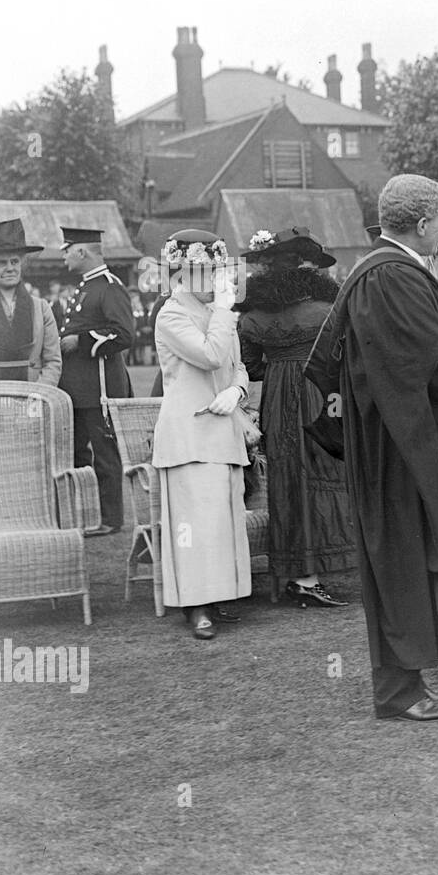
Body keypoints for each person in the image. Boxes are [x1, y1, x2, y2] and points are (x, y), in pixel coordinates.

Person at [337, 175, 438, 723]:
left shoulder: (381, 271)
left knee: (408, 558)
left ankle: (412, 680)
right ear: (423, 223)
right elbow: (435, 362)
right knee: (401, 561)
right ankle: (400, 692)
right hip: (397, 449)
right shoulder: (390, 277)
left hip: (399, 441)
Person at [237, 227, 354, 606]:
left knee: (288, 480)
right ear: (308, 271)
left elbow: (251, 367)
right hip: (321, 394)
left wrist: (279, 362)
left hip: (277, 397)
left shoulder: (252, 317)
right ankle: (312, 572)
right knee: (325, 474)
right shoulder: (328, 312)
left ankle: (299, 572)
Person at [152, 231, 252, 640]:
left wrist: (236, 390)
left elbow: (237, 366)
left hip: (222, 431)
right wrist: (225, 312)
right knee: (192, 523)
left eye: (213, 270)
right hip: (189, 431)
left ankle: (219, 595)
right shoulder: (171, 314)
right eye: (199, 270)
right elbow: (210, 354)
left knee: (221, 518)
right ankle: (196, 607)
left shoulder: (218, 311)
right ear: (179, 270)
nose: (209, 278)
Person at [58, 226, 135, 536]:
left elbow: (124, 334)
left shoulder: (109, 286)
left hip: (100, 385)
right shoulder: (87, 286)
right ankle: (87, 515)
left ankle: (111, 519)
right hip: (77, 387)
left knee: (105, 456)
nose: (63, 255)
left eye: (67, 249)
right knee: (76, 454)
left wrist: (83, 340)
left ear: (81, 251)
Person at [0, 219, 61, 384]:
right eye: (1, 263)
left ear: (21, 264)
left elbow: (53, 361)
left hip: (33, 396)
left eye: (14, 261)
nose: (10, 268)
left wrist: (38, 394)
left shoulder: (41, 308)